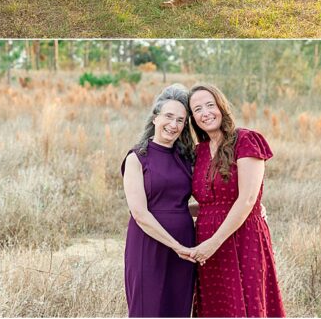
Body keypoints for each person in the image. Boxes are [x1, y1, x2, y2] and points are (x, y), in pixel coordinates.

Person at [188, 84, 284, 317]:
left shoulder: (246, 140)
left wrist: (213, 243)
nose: (205, 113)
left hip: (242, 238)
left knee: (247, 305)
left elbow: (247, 199)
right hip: (207, 243)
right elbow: (210, 205)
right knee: (217, 308)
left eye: (210, 105)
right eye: (197, 109)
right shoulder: (199, 151)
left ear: (222, 106)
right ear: (192, 118)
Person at [120, 85, 196, 317]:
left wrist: (248, 207)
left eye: (180, 120)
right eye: (168, 117)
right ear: (155, 118)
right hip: (148, 246)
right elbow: (140, 214)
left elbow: (180, 206)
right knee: (147, 309)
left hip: (185, 246)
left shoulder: (186, 157)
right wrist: (176, 247)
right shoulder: (136, 158)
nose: (173, 125)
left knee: (178, 309)